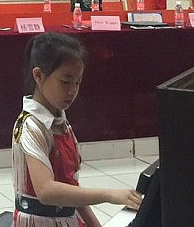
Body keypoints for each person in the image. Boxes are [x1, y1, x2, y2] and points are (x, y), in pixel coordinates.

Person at [13, 33, 141, 227]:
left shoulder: (60, 122)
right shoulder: (31, 126)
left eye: (78, 82)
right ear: (38, 75)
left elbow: (70, 189)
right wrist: (109, 194)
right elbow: (46, 191)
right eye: (65, 82)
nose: (72, 91)